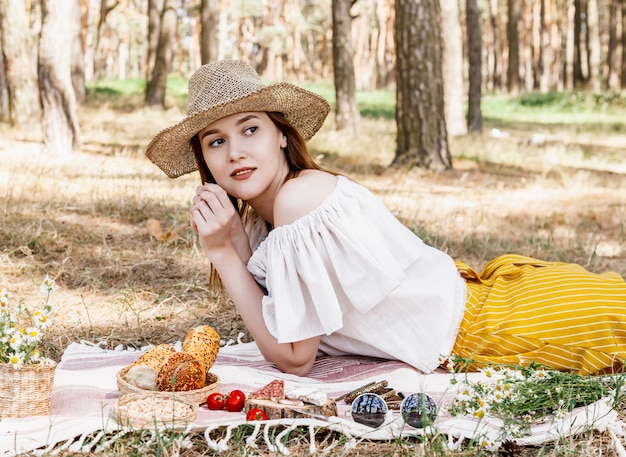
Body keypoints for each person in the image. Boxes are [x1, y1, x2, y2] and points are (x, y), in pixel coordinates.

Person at [146, 59, 626, 377]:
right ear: (204, 161)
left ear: (282, 137)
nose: (235, 152)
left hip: (501, 328)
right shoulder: (262, 219)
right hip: (491, 303)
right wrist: (233, 240)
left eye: (250, 129)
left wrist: (221, 255)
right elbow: (282, 312)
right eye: (215, 141)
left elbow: (293, 357)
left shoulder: (299, 202)